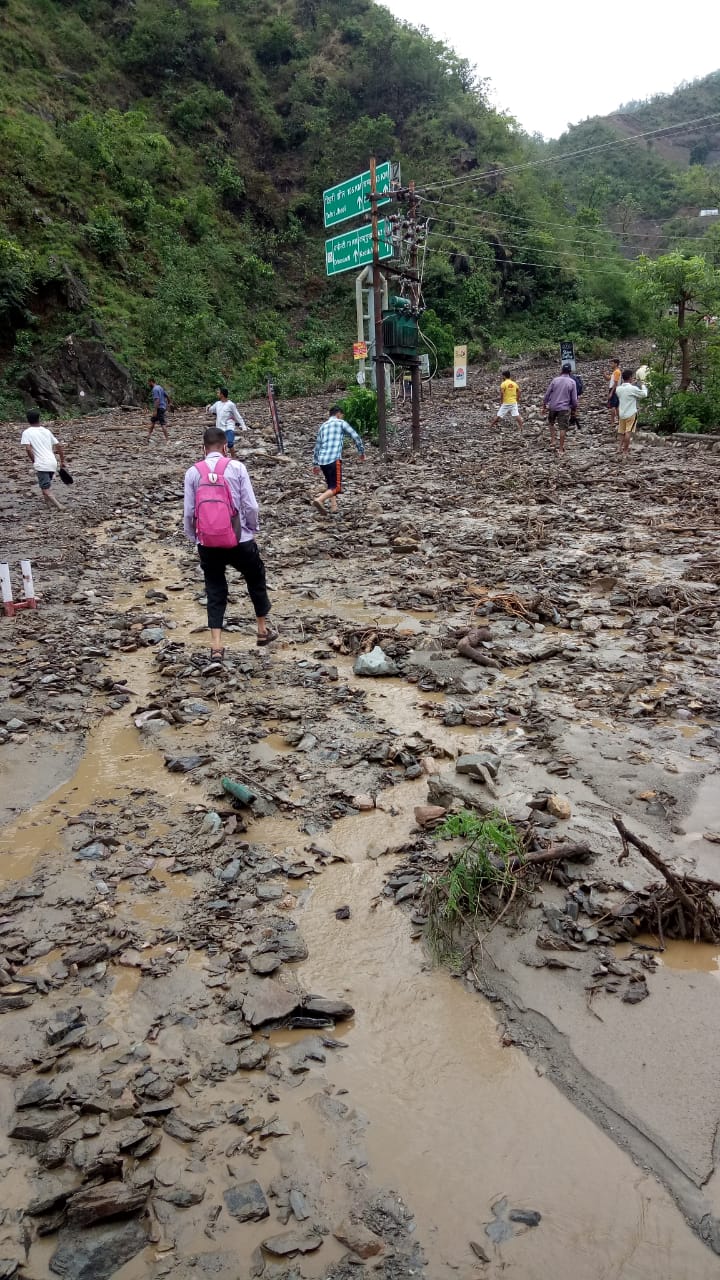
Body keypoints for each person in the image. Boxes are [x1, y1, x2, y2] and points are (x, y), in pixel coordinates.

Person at [183, 426, 276, 659]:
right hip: (239, 539)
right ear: (225, 446)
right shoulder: (237, 467)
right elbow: (251, 506)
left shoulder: (193, 472)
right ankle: (262, 630)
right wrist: (252, 528)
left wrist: (195, 538)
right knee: (255, 578)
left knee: (215, 589)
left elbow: (188, 513)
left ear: (203, 448)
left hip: (208, 542)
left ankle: (216, 646)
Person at [312, 405, 365, 515]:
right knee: (337, 487)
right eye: (341, 415)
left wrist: (315, 464)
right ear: (338, 414)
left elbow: (317, 446)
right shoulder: (341, 423)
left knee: (330, 484)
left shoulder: (323, 426)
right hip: (334, 459)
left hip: (322, 460)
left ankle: (333, 506)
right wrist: (361, 452)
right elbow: (355, 436)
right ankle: (320, 500)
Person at [21, 410, 66, 511]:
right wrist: (62, 461)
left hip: (41, 463)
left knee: (45, 488)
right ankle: (48, 505)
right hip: (52, 462)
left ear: (28, 420)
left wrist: (34, 460)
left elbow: (28, 449)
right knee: (45, 484)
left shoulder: (27, 432)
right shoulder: (46, 431)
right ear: (39, 419)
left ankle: (59, 505)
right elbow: (58, 446)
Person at [542, 363, 578, 455]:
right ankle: (561, 448)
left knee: (551, 422)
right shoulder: (572, 382)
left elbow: (547, 393)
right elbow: (574, 399)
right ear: (570, 372)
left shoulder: (555, 380)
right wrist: (574, 408)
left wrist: (544, 404)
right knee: (562, 427)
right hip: (564, 408)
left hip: (553, 406)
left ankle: (553, 440)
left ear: (561, 370)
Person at [205, 387, 247, 457]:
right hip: (219, 427)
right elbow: (211, 410)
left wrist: (243, 426)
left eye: (218, 393)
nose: (217, 394)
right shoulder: (217, 403)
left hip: (229, 426)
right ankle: (223, 458)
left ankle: (234, 458)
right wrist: (208, 407)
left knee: (230, 443)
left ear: (222, 394)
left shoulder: (231, 404)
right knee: (220, 444)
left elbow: (237, 416)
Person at [616, 369, 648, 458]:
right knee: (628, 432)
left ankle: (619, 448)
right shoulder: (632, 388)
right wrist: (643, 386)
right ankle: (625, 450)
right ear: (630, 378)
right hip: (631, 413)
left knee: (621, 432)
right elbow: (644, 394)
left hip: (622, 413)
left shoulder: (618, 389)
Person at [606, 358, 622, 427]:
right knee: (617, 406)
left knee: (613, 406)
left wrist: (611, 392)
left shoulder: (617, 372)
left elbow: (615, 383)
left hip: (614, 389)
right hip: (616, 389)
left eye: (612, 363)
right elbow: (609, 379)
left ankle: (612, 421)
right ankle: (619, 421)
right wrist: (604, 375)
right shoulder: (615, 372)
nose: (611, 365)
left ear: (616, 364)